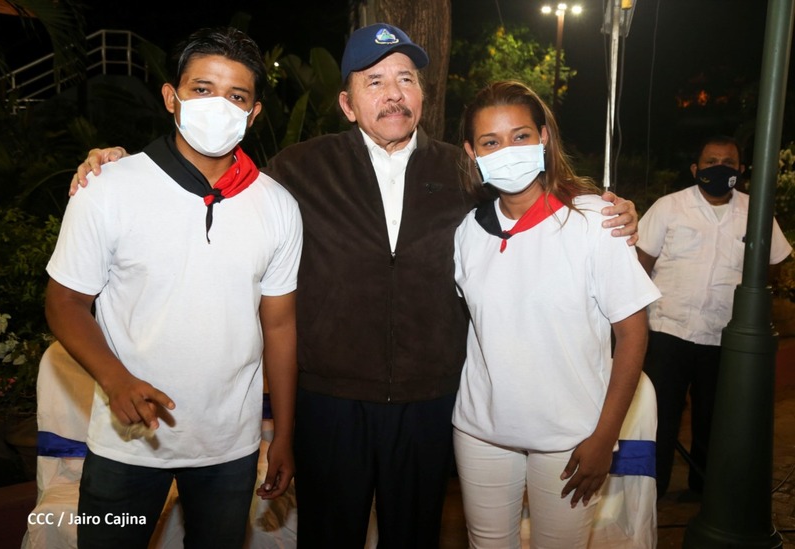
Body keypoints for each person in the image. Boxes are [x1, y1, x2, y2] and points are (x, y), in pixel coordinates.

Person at [69, 23, 639, 549]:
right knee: (328, 537)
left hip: (429, 401)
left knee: (414, 537)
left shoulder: (466, 171)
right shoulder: (298, 168)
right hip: (329, 403)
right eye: (375, 82)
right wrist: (112, 160)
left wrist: (608, 207)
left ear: (422, 95)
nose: (393, 94)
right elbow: (212, 181)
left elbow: (532, 198)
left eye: (406, 80)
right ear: (347, 103)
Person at [45, 27, 302, 548]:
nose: (218, 105)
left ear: (253, 113)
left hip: (229, 447)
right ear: (171, 97)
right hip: (127, 442)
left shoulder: (278, 206)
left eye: (236, 96)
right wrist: (116, 380)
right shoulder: (108, 188)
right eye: (202, 89)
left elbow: (279, 327)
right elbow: (65, 302)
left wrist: (284, 436)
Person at [451, 80, 660, 548]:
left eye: (520, 136)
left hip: (571, 435)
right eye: (491, 142)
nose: (508, 151)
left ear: (543, 137)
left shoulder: (595, 221)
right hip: (481, 431)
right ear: (472, 152)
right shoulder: (468, 231)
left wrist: (605, 438)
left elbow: (632, 334)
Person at [637, 135, 792, 499]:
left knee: (715, 419)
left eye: (728, 162)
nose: (719, 168)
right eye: (710, 162)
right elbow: (641, 262)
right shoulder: (669, 206)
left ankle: (705, 491)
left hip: (724, 335)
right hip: (667, 330)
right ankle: (650, 490)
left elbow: (776, 261)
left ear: (741, 170)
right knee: (659, 416)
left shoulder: (756, 212)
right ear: (696, 169)